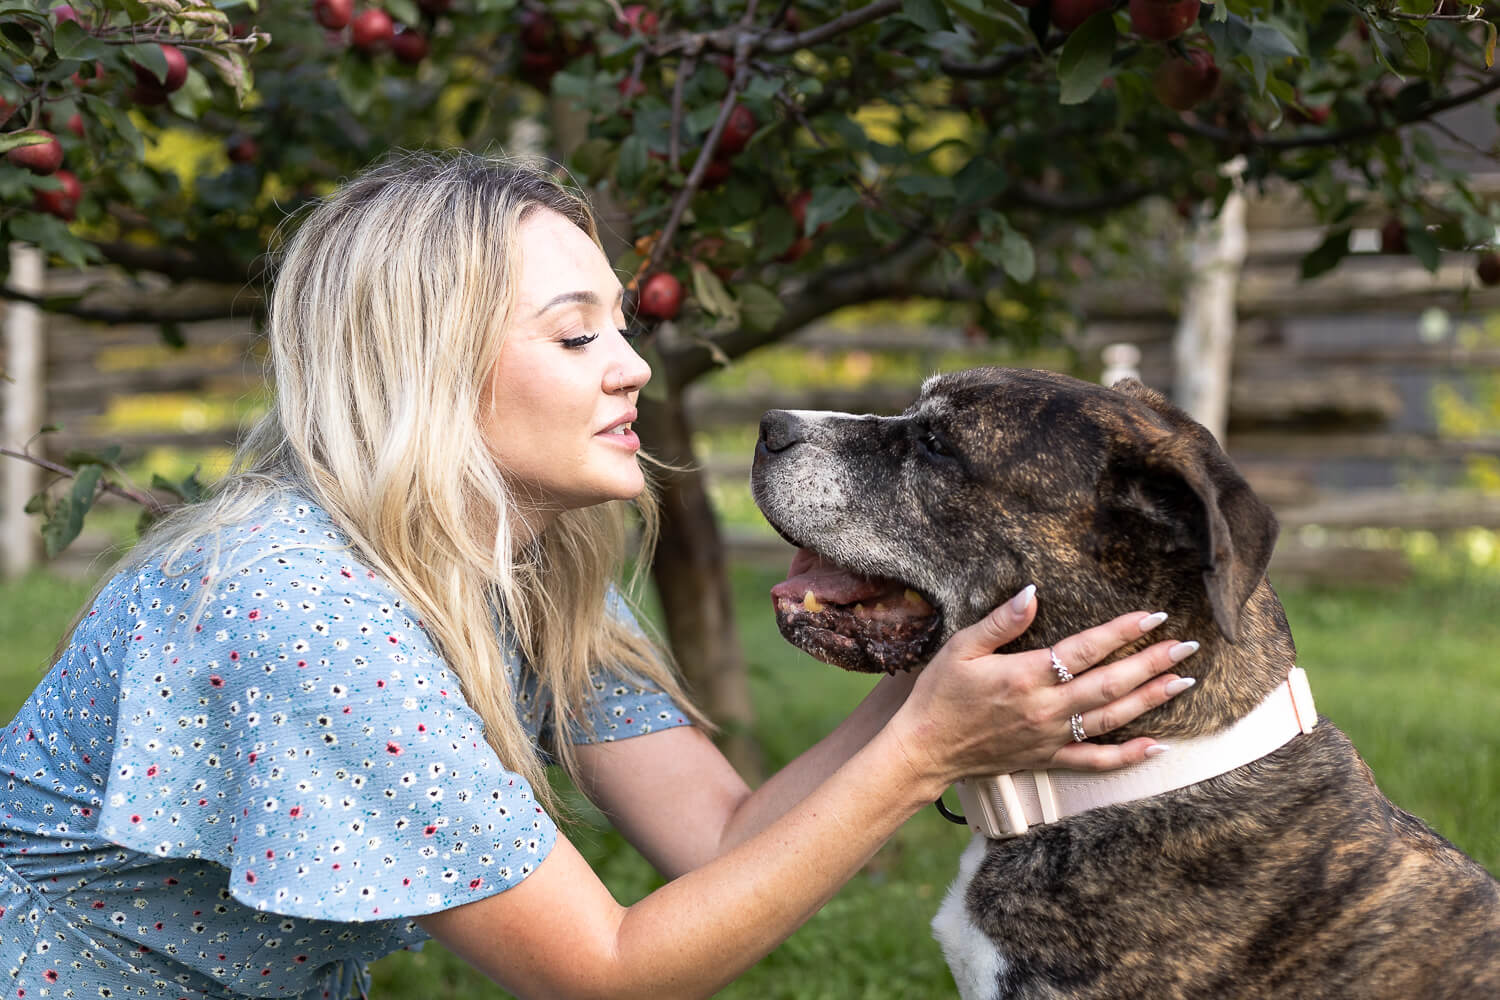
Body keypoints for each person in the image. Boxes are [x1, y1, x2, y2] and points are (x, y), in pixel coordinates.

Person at [0, 150, 1197, 999]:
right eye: (577, 335)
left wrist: (946, 682)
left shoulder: (536, 561)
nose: (629, 365)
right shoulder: (303, 607)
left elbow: (718, 838)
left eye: (622, 324)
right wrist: (929, 749)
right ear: (425, 368)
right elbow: (603, 972)